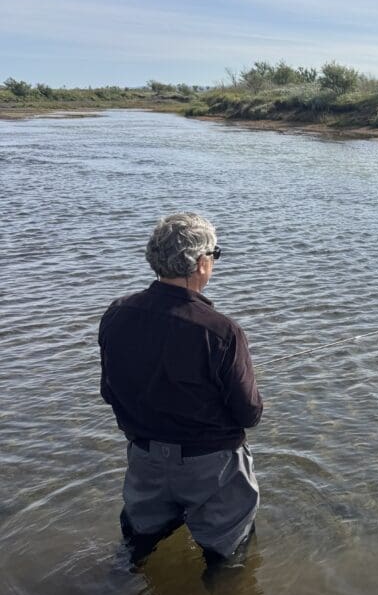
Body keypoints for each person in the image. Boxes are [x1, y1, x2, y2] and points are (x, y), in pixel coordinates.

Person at [99, 212, 263, 565]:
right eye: (215, 256)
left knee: (137, 549)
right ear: (201, 262)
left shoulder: (116, 313)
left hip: (144, 458)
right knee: (228, 558)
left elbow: (109, 391)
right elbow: (249, 413)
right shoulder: (222, 331)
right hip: (213, 466)